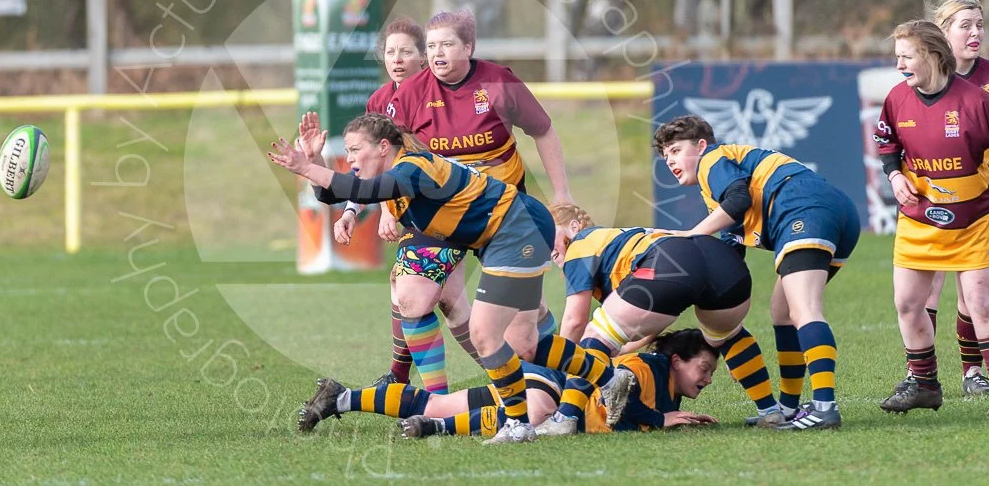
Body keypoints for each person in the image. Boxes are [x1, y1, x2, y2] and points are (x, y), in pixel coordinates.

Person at [267, 113, 556, 444]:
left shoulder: (412, 168)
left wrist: (305, 167)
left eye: (354, 149)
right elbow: (337, 193)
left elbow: (360, 187)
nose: (348, 158)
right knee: (519, 342)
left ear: (383, 147)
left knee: (501, 338)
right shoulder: (394, 170)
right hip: (498, 236)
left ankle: (548, 405)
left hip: (518, 228)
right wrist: (314, 162)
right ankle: (592, 380)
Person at [874, 20, 989, 417]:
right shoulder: (896, 99)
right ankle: (925, 385)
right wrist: (894, 176)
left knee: (979, 303)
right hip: (919, 220)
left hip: (973, 221)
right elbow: (887, 142)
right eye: (897, 58)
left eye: (906, 57)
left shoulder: (976, 101)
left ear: (932, 56)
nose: (899, 65)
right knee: (908, 304)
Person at [300, 16, 475, 393]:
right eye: (390, 52)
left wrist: (387, 210)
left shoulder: (438, 97)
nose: (397, 59)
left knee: (412, 291)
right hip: (416, 211)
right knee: (449, 302)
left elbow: (420, 168)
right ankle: (517, 378)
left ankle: (422, 389)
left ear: (424, 57)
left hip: (446, 210)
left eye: (406, 51)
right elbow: (371, 166)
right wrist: (351, 211)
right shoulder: (380, 101)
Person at [384, 9, 573, 358]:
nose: (437, 53)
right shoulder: (410, 94)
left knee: (523, 327)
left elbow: (543, 131)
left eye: (447, 45)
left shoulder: (499, 82)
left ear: (469, 46)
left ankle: (545, 372)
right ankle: (430, 401)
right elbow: (391, 154)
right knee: (412, 296)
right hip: (439, 211)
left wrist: (562, 199)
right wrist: (387, 209)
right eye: (431, 46)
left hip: (502, 212)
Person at [652, 114, 860, 430]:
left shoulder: (713, 160)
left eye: (676, 150)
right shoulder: (715, 192)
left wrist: (691, 235)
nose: (670, 160)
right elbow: (731, 249)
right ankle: (789, 408)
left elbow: (739, 199)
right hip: (834, 211)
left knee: (804, 309)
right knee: (783, 311)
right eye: (666, 156)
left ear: (701, 145)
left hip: (803, 208)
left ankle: (824, 407)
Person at [548, 203, 782, 426]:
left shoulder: (580, 245)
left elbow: (574, 321)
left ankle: (565, 418)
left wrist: (562, 367)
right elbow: (650, 319)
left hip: (672, 261)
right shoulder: (616, 242)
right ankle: (770, 411)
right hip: (723, 261)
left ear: (574, 227)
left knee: (596, 332)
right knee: (727, 335)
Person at [912, 0, 989, 396]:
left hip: (977, 191)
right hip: (928, 194)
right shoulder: (921, 74)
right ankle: (920, 374)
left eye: (980, 24)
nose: (976, 32)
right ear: (943, 32)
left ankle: (971, 371)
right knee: (926, 285)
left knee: (971, 288)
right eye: (966, 25)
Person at [295, 363, 585, 440]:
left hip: (541, 372)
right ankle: (436, 427)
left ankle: (341, 398)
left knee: (438, 405)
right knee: (532, 416)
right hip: (553, 377)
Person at [530, 329, 720, 436]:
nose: (709, 379)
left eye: (711, 372)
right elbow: (615, 395)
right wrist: (659, 419)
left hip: (566, 411)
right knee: (535, 419)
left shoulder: (671, 389)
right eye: (704, 369)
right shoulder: (645, 367)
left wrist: (682, 420)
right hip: (551, 382)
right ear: (677, 361)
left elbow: (642, 415)